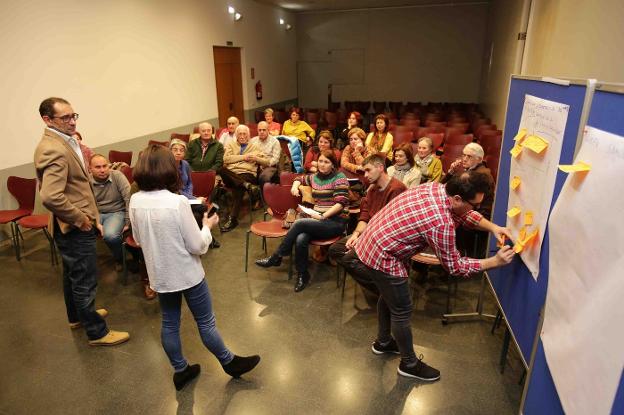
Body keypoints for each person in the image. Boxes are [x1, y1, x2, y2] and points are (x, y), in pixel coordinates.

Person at [339, 170, 515, 381]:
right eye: (474, 205)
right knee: (402, 309)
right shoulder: (440, 222)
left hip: (375, 241)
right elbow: (455, 266)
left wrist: (494, 227)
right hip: (383, 255)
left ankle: (383, 342)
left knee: (389, 299)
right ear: (457, 198)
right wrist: (494, 262)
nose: (477, 209)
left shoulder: (437, 188)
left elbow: (465, 213)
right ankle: (409, 364)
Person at [129, 145, 260, 391]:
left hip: (160, 274)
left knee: (169, 324)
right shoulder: (177, 202)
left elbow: (137, 238)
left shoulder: (135, 200)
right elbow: (198, 246)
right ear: (169, 169)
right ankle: (229, 362)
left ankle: (180, 370)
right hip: (188, 274)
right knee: (206, 323)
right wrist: (208, 226)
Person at [34, 97, 129, 346]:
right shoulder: (53, 148)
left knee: (73, 274)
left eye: (74, 115)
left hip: (74, 223)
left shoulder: (65, 141)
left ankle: (78, 317)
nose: (72, 121)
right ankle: (97, 332)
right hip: (74, 225)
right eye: (65, 117)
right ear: (47, 120)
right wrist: (82, 220)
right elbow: (50, 195)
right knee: (84, 278)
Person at [255, 150, 349, 292]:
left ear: (333, 164)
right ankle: (302, 274)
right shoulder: (315, 177)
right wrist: (295, 186)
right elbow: (298, 178)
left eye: (327, 162)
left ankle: (277, 256)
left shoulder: (339, 177)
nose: (323, 165)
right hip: (317, 220)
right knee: (300, 238)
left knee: (299, 223)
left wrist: (323, 216)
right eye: (321, 161)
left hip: (334, 221)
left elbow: (340, 203)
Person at [329, 154, 406, 280]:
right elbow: (364, 216)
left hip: (386, 239)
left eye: (368, 170)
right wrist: (356, 234)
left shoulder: (397, 189)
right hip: (370, 233)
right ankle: (377, 281)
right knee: (335, 250)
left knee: (349, 259)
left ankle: (384, 286)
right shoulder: (372, 189)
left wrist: (362, 241)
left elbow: (390, 226)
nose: (365, 175)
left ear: (380, 167)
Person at [442, 142, 495, 257]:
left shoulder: (481, 175)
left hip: (477, 215)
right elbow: (445, 187)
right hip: (465, 208)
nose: (464, 159)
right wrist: (451, 172)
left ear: (479, 159)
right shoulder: (469, 170)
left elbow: (452, 193)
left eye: (469, 156)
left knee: (442, 219)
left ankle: (447, 260)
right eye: (463, 155)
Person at [89, 154, 135, 269]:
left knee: (111, 236)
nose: (103, 170)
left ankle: (119, 259)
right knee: (78, 234)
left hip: (116, 212)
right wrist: (96, 222)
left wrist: (127, 221)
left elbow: (129, 198)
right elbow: (86, 204)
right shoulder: (86, 181)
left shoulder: (117, 176)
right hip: (95, 213)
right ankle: (86, 267)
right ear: (90, 169)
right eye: (98, 167)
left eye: (105, 166)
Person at [219, 125, 262, 232]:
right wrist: (244, 157)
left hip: (247, 174)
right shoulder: (230, 144)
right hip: (232, 174)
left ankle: (232, 219)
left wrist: (235, 159)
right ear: (236, 135)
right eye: (239, 134)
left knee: (237, 189)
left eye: (244, 134)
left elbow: (259, 158)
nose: (242, 136)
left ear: (248, 135)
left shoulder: (255, 146)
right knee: (220, 169)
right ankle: (246, 185)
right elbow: (226, 159)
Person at [249, 121, 281, 190]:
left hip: (269, 167)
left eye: (264, 130)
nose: (261, 132)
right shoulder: (253, 140)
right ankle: (254, 196)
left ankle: (265, 200)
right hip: (254, 166)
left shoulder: (275, 141)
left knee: (263, 177)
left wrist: (262, 162)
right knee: (245, 175)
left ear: (268, 130)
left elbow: (275, 160)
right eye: (259, 130)